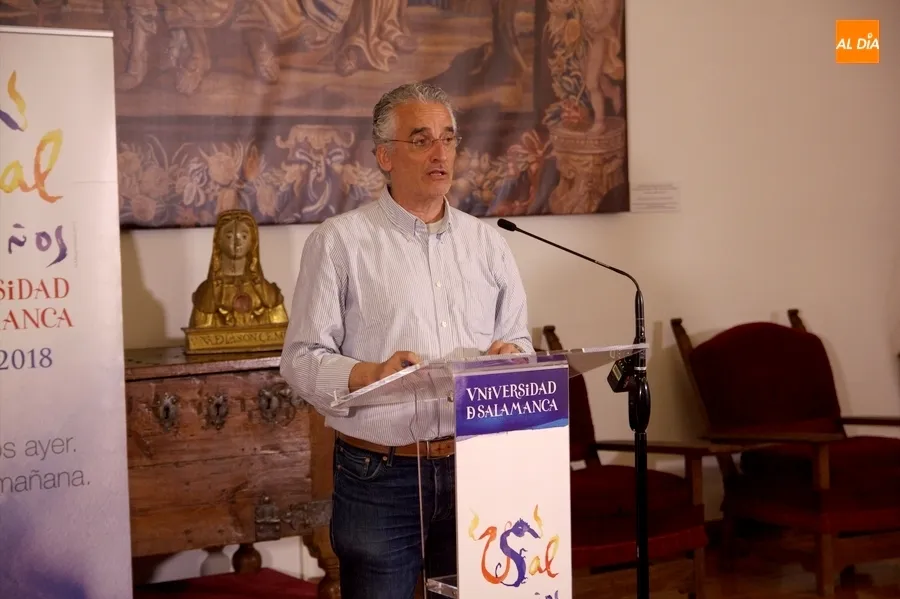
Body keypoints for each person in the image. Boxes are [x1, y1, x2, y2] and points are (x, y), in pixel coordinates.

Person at [280, 82, 533, 599]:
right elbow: (301, 360)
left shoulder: (487, 243)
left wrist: (511, 357)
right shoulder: (340, 242)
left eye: (448, 139)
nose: (440, 153)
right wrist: (368, 373)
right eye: (421, 140)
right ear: (384, 157)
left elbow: (519, 341)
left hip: (476, 466)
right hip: (380, 473)